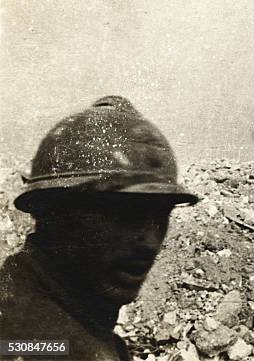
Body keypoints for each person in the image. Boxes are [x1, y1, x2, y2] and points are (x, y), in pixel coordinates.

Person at [0, 96, 198, 361]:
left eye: (161, 215)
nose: (150, 242)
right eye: (126, 214)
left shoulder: (71, 324)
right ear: (52, 210)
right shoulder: (34, 341)